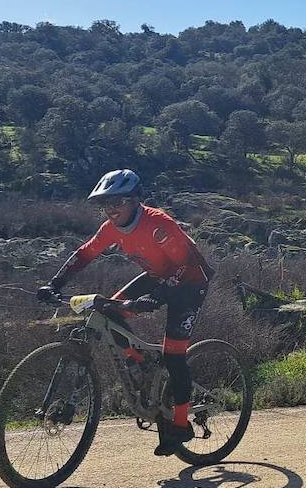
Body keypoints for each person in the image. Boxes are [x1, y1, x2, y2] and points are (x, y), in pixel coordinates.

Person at [38, 169, 215, 456]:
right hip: (158, 276)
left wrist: (154, 299)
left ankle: (181, 424)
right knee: (109, 311)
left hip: (191, 283)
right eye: (105, 204)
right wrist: (54, 284)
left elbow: (186, 265)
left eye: (118, 202)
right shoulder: (110, 228)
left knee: (174, 355)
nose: (111, 209)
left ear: (135, 200)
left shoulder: (158, 224)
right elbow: (85, 253)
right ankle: (140, 359)